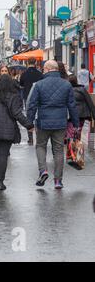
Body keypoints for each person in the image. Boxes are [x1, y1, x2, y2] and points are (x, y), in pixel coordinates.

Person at [27, 60, 79, 190]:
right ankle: (58, 181)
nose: (43, 71)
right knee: (58, 150)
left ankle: (43, 171)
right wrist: (76, 123)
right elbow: (72, 105)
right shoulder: (66, 85)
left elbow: (32, 105)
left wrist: (29, 123)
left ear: (48, 69)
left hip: (43, 122)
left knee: (40, 146)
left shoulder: (39, 85)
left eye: (44, 69)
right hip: (60, 123)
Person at [0, 75, 34, 190]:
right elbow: (17, 113)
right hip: (8, 130)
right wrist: (29, 125)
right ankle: (0, 181)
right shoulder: (13, 96)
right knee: (3, 155)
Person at [20, 57, 43, 145]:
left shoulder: (24, 74)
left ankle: (30, 139)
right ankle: (38, 137)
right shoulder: (40, 74)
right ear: (36, 63)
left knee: (29, 117)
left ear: (27, 62)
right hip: (38, 98)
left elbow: (21, 85)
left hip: (27, 98)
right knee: (38, 117)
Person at [68, 75, 95, 140]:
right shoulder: (82, 89)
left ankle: (71, 146)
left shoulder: (67, 90)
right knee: (78, 131)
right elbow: (89, 101)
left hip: (70, 115)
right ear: (76, 81)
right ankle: (77, 144)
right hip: (81, 115)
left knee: (70, 132)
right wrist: (93, 114)